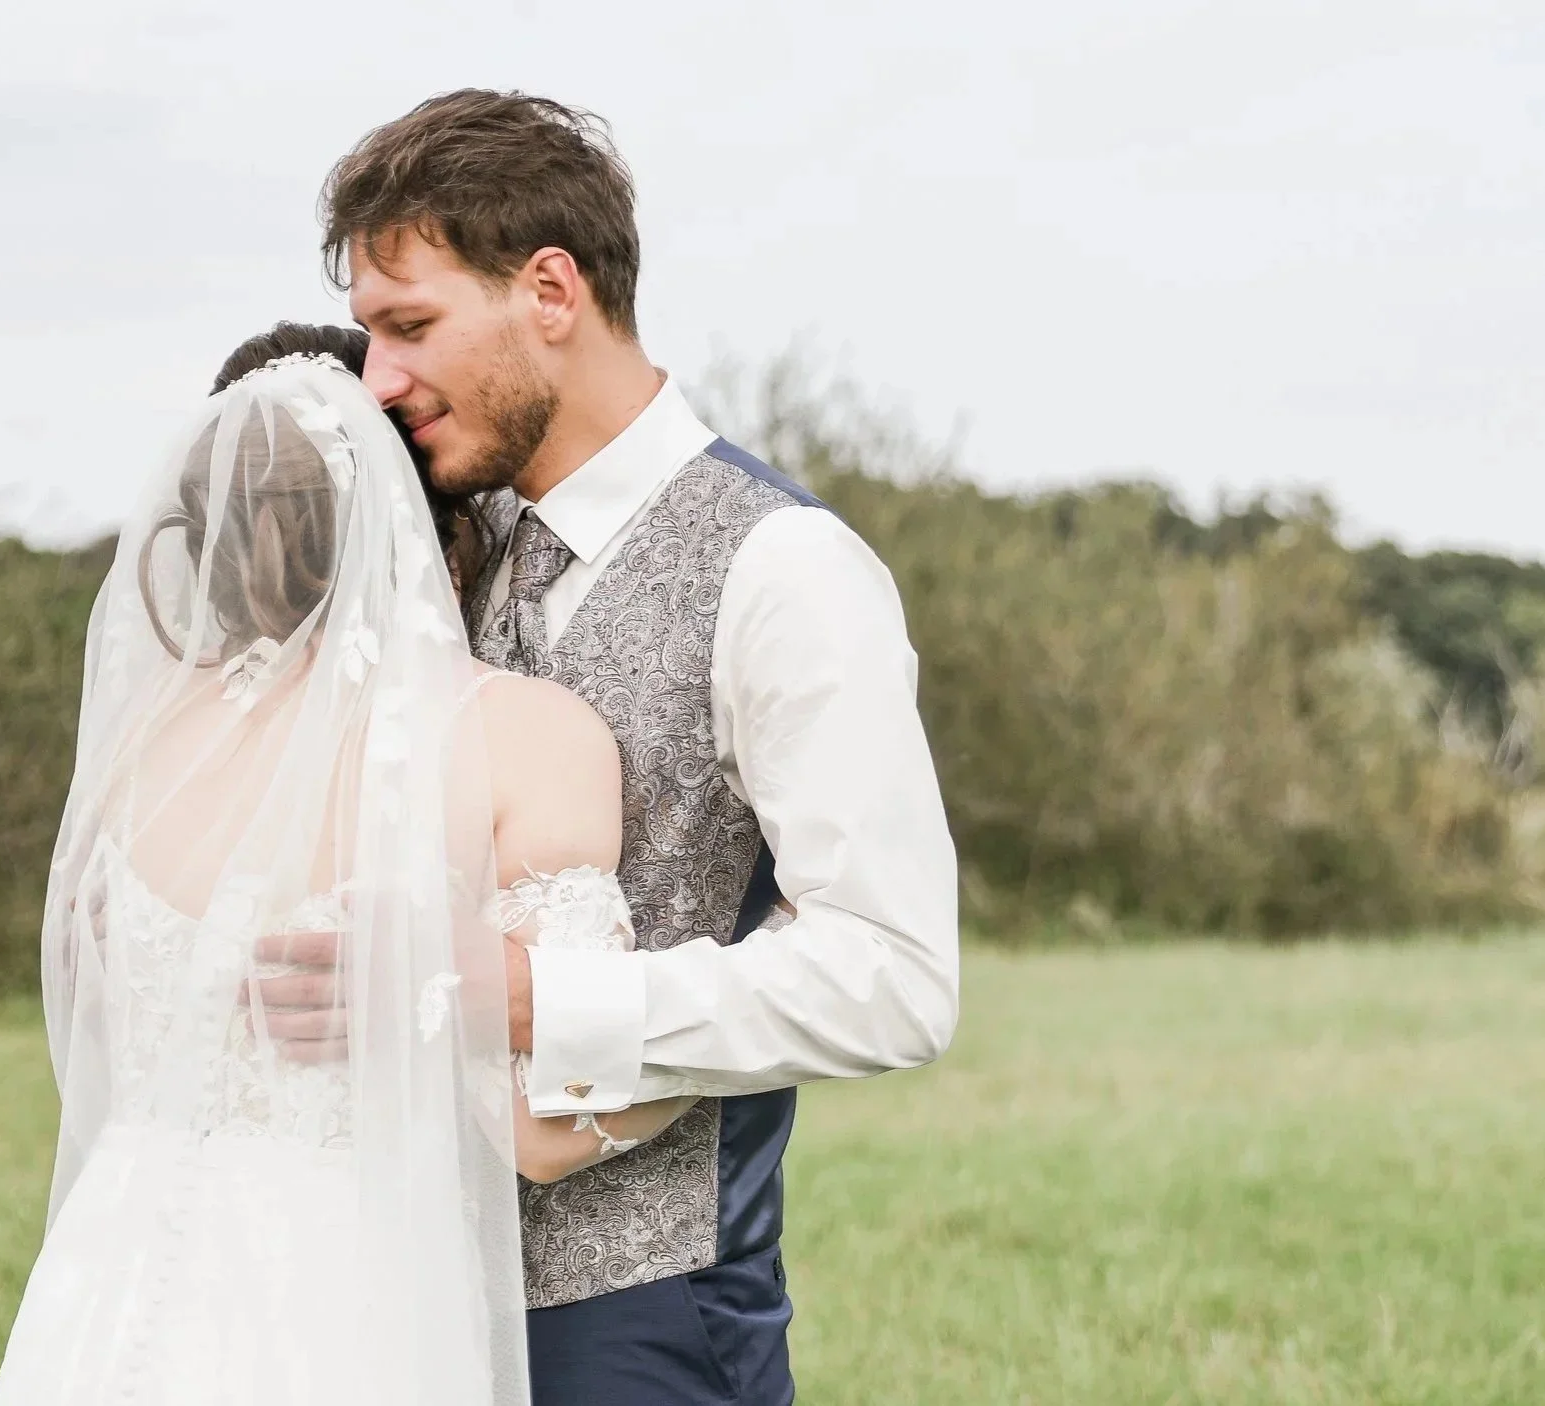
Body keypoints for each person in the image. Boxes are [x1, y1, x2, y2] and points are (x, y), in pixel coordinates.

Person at [304, 89, 963, 1404]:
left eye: (410, 325)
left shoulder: (784, 569)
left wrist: (543, 1002)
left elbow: (896, 976)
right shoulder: (427, 544)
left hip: (642, 1328)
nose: (375, 378)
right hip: (398, 1300)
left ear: (549, 290)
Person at [0, 328, 692, 1406]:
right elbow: (548, 1135)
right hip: (344, 1294)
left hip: (109, 1281)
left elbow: (105, 1046)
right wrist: (761, 976)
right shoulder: (519, 735)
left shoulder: (140, 748)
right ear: (434, 512)